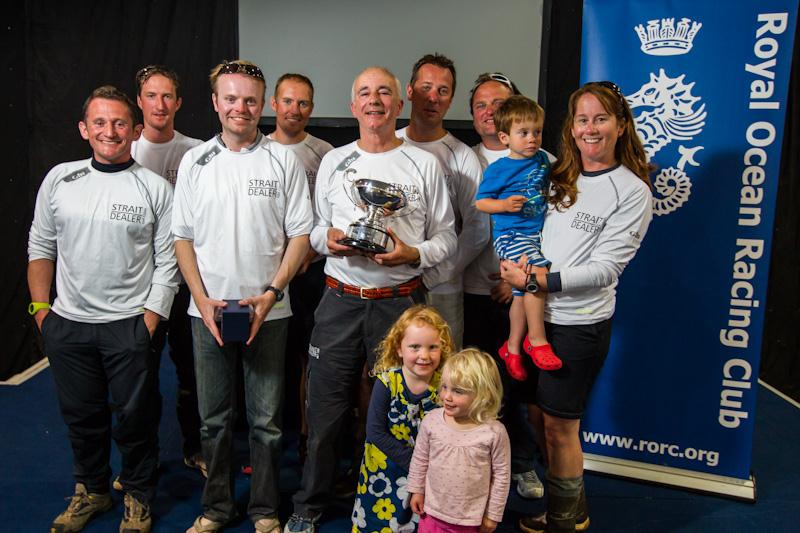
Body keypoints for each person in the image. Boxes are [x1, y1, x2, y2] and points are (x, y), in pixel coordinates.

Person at [284, 66, 456, 533]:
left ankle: (403, 500)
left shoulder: (424, 164)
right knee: (325, 408)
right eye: (365, 93)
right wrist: (331, 239)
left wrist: (411, 253)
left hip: (401, 303)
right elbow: (314, 228)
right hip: (340, 299)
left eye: (384, 92)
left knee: (404, 411)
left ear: (399, 106)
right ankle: (310, 503)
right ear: (353, 105)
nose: (374, 100)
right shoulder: (335, 162)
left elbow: (446, 238)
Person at [500, 81, 653, 533]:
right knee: (537, 417)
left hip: (577, 325)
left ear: (620, 126)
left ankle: (565, 521)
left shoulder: (632, 192)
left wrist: (538, 279)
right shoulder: (559, 177)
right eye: (582, 119)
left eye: (601, 118)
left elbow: (607, 269)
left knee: (560, 428)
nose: (590, 128)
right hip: (532, 316)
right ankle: (570, 508)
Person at [28, 85, 178, 533]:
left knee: (136, 419)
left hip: (129, 326)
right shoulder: (60, 179)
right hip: (68, 325)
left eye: (118, 123)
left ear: (134, 130)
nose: (109, 131)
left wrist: (148, 323)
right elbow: (40, 245)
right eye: (99, 122)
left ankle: (136, 494)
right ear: (84, 129)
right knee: (82, 416)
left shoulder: (153, 187)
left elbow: (167, 263)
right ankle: (91, 490)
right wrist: (41, 310)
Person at [173, 60, 312, 533]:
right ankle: (215, 509)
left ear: (262, 104)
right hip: (205, 312)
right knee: (213, 419)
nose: (240, 107)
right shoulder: (195, 161)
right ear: (215, 102)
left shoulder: (282, 160)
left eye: (250, 99)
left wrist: (272, 293)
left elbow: (300, 237)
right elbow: (182, 238)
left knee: (267, 422)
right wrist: (202, 299)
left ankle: (265, 509)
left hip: (269, 313)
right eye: (231, 98)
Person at [462, 72, 545, 500]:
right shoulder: (463, 157)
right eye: (481, 105)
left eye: (499, 103)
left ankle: (522, 465)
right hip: (470, 293)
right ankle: (476, 468)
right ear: (475, 116)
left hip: (523, 290)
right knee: (476, 388)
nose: (490, 111)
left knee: (516, 388)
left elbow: (557, 221)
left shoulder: (539, 159)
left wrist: (520, 281)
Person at [131, 64, 206, 478]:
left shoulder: (197, 152)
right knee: (139, 377)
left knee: (192, 374)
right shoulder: (126, 148)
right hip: (141, 288)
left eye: (167, 97)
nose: (160, 105)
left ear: (178, 102)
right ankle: (144, 458)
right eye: (151, 96)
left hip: (189, 283)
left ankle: (196, 447)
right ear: (139, 102)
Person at [397, 53, 488, 349]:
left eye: (442, 91)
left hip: (443, 286)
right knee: (391, 369)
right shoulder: (389, 146)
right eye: (425, 88)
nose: (433, 97)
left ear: (450, 100)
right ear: (409, 92)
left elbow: (477, 229)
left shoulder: (462, 156)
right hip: (393, 284)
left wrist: (435, 275)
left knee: (445, 370)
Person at [267, 73, 334, 463]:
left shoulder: (324, 152)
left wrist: (307, 252)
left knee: (310, 355)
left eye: (303, 103)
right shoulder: (259, 151)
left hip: (312, 271)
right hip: (270, 272)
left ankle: (308, 437)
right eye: (287, 101)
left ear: (312, 108)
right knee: (273, 356)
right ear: (274, 105)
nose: (294, 109)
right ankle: (272, 435)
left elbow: (328, 213)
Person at [476, 95, 561, 379]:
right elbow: (481, 202)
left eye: (536, 131)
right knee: (537, 276)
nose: (532, 138)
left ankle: (511, 348)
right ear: (505, 137)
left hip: (535, 235)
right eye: (523, 133)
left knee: (521, 293)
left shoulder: (542, 160)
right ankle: (536, 341)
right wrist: (502, 205)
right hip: (510, 235)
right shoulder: (499, 169)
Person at [351, 304, 455, 532]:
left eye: (432, 347)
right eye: (415, 347)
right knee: (378, 520)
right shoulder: (387, 382)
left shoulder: (444, 387)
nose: (424, 356)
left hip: (427, 472)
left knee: (418, 521)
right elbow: (375, 432)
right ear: (399, 348)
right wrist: (414, 464)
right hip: (384, 469)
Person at [408, 348, 511, 533]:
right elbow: (420, 459)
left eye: (458, 391)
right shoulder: (431, 420)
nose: (447, 396)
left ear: (483, 394)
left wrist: (493, 514)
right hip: (430, 513)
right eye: (445, 386)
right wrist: (417, 490)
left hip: (470, 520)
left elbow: (501, 477)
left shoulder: (494, 432)